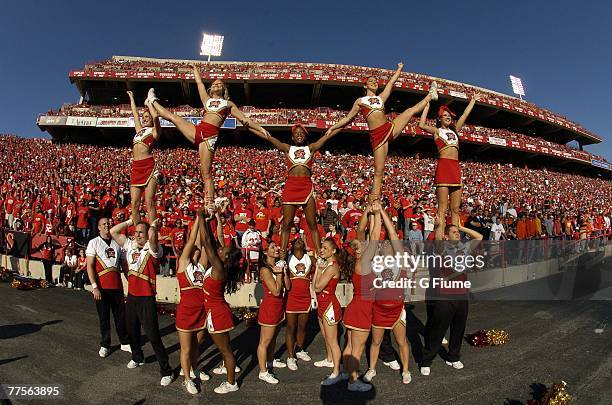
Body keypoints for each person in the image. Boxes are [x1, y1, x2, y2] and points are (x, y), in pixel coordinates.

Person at [147, 64, 270, 205]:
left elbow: (244, 119)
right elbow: (199, 83)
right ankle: (152, 101)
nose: (217, 84)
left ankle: (209, 203)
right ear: (211, 89)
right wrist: (195, 70)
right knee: (173, 117)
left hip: (210, 136)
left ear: (223, 89)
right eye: (214, 83)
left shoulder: (228, 103)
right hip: (198, 129)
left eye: (220, 84)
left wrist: (260, 128)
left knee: (205, 172)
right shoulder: (207, 100)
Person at [324, 63, 437, 201]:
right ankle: (374, 199)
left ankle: (430, 96)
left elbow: (391, 83)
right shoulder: (360, 101)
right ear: (365, 86)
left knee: (409, 111)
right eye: (370, 81)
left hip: (389, 127)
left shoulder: (380, 98)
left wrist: (399, 69)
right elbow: (348, 118)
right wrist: (332, 127)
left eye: (375, 81)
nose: (374, 82)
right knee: (379, 171)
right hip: (377, 136)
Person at [251, 124, 342, 262]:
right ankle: (281, 258)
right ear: (293, 137)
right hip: (291, 186)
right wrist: (253, 128)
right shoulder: (288, 148)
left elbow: (327, 136)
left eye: (302, 133)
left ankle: (319, 256)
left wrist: (341, 125)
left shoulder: (310, 148)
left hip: (306, 186)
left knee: (313, 224)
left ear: (305, 136)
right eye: (296, 134)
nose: (299, 135)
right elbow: (269, 138)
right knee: (287, 224)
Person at [110, 218, 173, 387]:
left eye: (141, 232)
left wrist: (152, 226)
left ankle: (166, 370)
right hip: (131, 296)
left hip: (146, 298)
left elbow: (153, 238)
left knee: (152, 335)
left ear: (147, 235)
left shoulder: (154, 249)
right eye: (135, 232)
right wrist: (131, 220)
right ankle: (137, 357)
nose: (137, 235)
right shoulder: (129, 245)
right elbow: (113, 232)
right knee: (132, 331)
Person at [420, 224, 483, 376]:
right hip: (444, 295)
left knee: (458, 328)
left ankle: (453, 357)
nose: (458, 235)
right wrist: (440, 224)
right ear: (446, 236)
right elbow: (437, 237)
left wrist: (462, 227)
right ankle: (426, 360)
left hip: (461, 295)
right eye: (454, 232)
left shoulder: (464, 248)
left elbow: (479, 237)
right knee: (437, 330)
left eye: (458, 233)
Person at [197, 209, 247, 394]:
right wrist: (211, 219)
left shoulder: (218, 268)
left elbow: (207, 242)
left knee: (226, 350)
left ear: (226, 257)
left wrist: (200, 217)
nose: (221, 247)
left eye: (224, 249)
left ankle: (231, 383)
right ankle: (227, 367)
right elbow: (212, 240)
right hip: (216, 310)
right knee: (224, 348)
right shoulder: (221, 264)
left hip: (216, 312)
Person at [419, 93, 481, 240]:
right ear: (439, 118)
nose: (448, 117)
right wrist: (426, 107)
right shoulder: (437, 131)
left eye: (449, 116)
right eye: (445, 115)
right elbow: (421, 125)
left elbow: (465, 114)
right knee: (442, 209)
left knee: (455, 209)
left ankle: (455, 239)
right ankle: (440, 242)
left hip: (455, 168)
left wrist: (473, 100)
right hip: (444, 166)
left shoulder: (455, 131)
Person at [365, 207, 412, 385]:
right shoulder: (375, 262)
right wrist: (374, 215)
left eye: (388, 244)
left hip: (397, 309)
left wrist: (383, 212)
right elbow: (373, 237)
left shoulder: (400, 260)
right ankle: (371, 369)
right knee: (376, 342)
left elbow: (392, 233)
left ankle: (406, 370)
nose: (385, 244)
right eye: (382, 244)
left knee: (401, 341)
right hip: (379, 309)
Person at [342, 203, 380, 392]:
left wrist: (368, 211)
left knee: (349, 346)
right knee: (357, 349)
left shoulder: (358, 261)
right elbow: (374, 235)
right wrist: (378, 213)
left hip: (354, 307)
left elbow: (360, 230)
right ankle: (353, 381)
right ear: (357, 251)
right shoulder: (363, 262)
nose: (362, 243)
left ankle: (347, 374)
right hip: (362, 310)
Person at [175, 214, 211, 394]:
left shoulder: (202, 266)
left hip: (201, 312)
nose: (197, 249)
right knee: (186, 348)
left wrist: (208, 220)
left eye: (198, 248)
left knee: (198, 344)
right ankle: (187, 378)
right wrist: (198, 218)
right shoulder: (183, 264)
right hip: (186, 312)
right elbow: (193, 238)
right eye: (194, 248)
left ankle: (193, 368)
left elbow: (204, 242)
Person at [86, 217, 131, 358]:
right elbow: (90, 266)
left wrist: (132, 282)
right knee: (104, 318)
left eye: (109, 223)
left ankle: (124, 341)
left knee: (121, 316)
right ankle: (105, 344)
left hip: (117, 286)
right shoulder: (94, 242)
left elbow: (124, 266)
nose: (107, 225)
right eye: (104, 224)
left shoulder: (118, 242)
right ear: (99, 227)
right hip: (102, 288)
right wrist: (94, 287)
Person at [257, 241, 290, 384]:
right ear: (265, 252)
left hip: (278, 307)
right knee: (265, 341)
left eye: (276, 246)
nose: (276, 249)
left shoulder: (277, 266)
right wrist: (278, 274)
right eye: (272, 247)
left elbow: (287, 286)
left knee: (273, 338)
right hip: (270, 307)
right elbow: (276, 291)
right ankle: (263, 372)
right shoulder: (265, 270)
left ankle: (270, 361)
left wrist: (284, 272)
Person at [313, 238, 345, 385]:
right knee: (327, 337)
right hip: (322, 304)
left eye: (326, 248)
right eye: (322, 248)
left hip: (329, 306)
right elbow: (315, 286)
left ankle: (337, 372)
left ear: (333, 251)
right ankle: (330, 360)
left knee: (333, 341)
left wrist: (319, 270)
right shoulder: (325, 265)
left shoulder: (332, 267)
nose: (322, 250)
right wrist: (318, 270)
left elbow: (318, 287)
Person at [127, 90, 161, 226]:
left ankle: (153, 233)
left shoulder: (154, 131)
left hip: (149, 167)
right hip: (136, 168)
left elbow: (156, 117)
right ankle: (138, 233)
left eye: (147, 117)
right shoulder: (139, 130)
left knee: (149, 202)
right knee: (134, 204)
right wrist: (131, 98)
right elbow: (135, 113)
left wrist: (150, 105)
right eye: (144, 117)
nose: (145, 118)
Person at [284, 238, 314, 370]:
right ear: (291, 245)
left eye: (301, 240)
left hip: (305, 297)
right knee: (291, 327)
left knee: (302, 326)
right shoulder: (287, 259)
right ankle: (290, 356)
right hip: (291, 297)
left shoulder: (311, 260)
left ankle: (300, 349)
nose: (299, 241)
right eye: (296, 241)